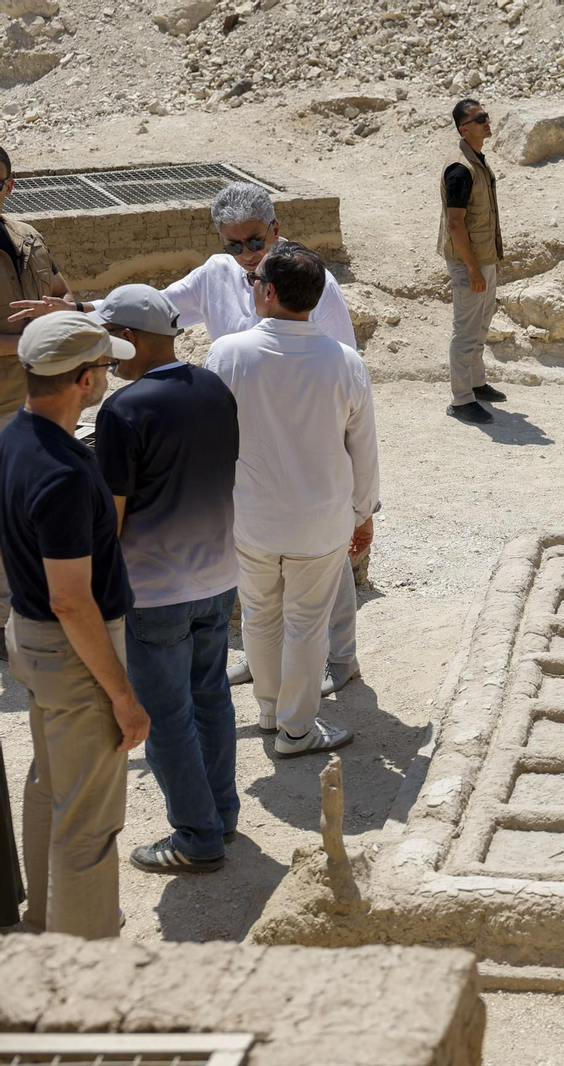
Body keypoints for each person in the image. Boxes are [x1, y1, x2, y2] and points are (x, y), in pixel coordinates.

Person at [9, 181, 363, 698]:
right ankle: (268, 663)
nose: (245, 255)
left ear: (276, 231)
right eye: (234, 244)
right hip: (238, 436)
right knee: (255, 554)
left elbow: (343, 363)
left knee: (321, 547)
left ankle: (341, 657)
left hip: (300, 430)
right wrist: (78, 310)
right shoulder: (217, 275)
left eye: (254, 242)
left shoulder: (307, 281)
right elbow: (154, 308)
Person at [0, 311, 147, 937]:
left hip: (29, 640)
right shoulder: (62, 473)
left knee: (49, 786)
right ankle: (86, 977)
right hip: (72, 650)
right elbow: (71, 599)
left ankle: (45, 926)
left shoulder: (12, 436)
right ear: (85, 380)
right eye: (108, 367)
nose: (111, 376)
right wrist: (121, 695)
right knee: (90, 822)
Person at [204, 243, 379, 758]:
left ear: (270, 291)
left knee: (259, 615)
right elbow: (363, 449)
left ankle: (267, 707)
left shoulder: (227, 355)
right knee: (307, 622)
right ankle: (297, 728)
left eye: (255, 281)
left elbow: (212, 440)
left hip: (251, 516)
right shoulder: (344, 362)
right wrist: (363, 513)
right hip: (319, 521)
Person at [92, 285, 240, 873]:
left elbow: (115, 515)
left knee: (167, 714)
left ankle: (197, 836)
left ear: (129, 339)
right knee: (212, 698)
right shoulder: (213, 387)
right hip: (218, 577)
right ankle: (221, 814)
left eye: (110, 345)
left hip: (154, 592)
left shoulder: (123, 410)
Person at [1, 145, 82, 650]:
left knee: (34, 514)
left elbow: (63, 291)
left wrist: (63, 310)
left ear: (9, 185)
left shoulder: (27, 237)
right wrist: (32, 344)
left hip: (42, 401)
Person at [439, 98, 507, 425]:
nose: (487, 121)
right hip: (470, 261)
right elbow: (455, 223)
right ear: (464, 129)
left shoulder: (475, 159)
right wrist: (471, 268)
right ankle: (461, 399)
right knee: (465, 330)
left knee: (481, 323)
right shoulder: (460, 168)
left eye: (486, 116)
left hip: (482, 257)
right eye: (480, 119)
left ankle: (476, 383)